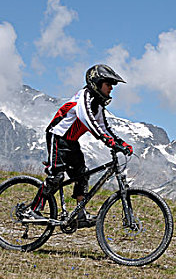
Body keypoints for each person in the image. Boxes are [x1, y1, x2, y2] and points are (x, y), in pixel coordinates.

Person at [25, 64, 133, 228]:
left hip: (71, 142)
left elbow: (104, 127)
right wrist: (106, 140)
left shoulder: (97, 104)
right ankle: (32, 210)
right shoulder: (84, 97)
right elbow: (87, 121)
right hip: (58, 137)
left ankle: (80, 215)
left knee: (82, 175)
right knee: (57, 177)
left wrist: (120, 143)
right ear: (97, 83)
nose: (111, 88)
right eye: (108, 84)